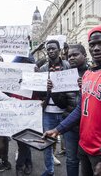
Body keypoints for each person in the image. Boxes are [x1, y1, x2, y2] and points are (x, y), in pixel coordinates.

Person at [43, 25, 101, 176]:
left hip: (98, 150)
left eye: (100, 44)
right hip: (84, 143)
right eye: (93, 45)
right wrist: (57, 130)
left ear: (83, 55)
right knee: (72, 161)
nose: (96, 48)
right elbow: (80, 109)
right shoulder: (89, 75)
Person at [51, 44, 89, 176]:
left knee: (89, 162)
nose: (71, 58)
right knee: (72, 160)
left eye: (75, 55)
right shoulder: (64, 76)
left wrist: (84, 88)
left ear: (84, 56)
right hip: (70, 127)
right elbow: (61, 105)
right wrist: (53, 91)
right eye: (69, 56)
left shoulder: (93, 75)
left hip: (89, 127)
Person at [38, 39, 70, 176]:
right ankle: (49, 171)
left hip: (65, 112)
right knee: (47, 143)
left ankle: (71, 172)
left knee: (69, 145)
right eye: (48, 49)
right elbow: (38, 91)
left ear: (59, 50)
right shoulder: (42, 69)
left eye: (53, 48)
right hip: (48, 112)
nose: (51, 51)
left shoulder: (67, 66)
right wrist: (44, 89)